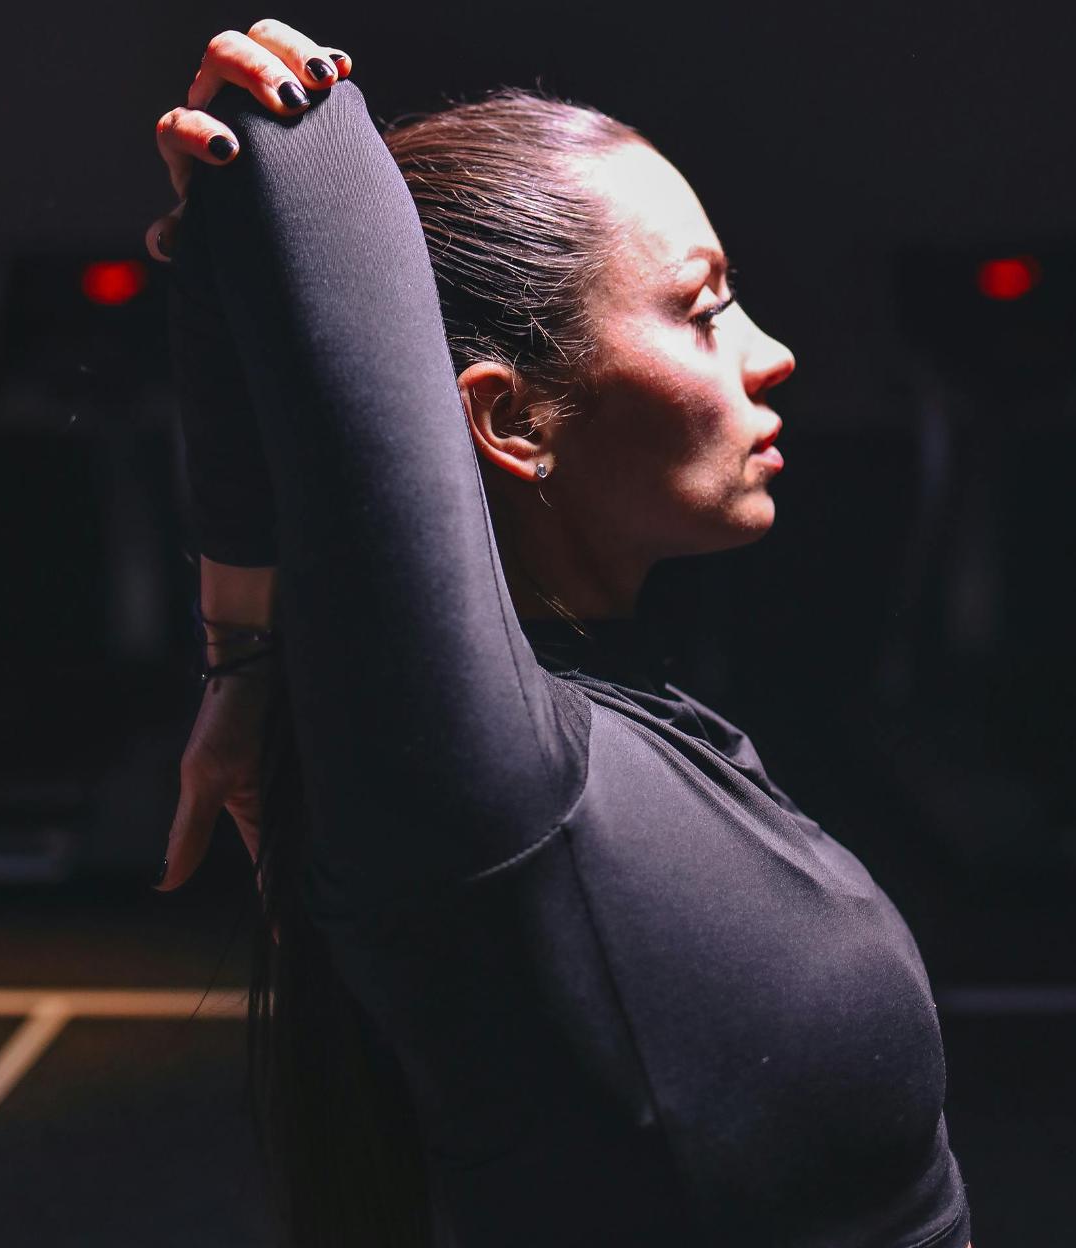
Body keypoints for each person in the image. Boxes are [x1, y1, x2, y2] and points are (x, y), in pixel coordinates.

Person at [148, 18, 974, 1248]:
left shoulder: (591, 748)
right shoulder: (490, 797)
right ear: (509, 420)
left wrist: (245, 661)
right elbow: (319, 194)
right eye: (705, 309)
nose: (776, 354)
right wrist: (280, 130)